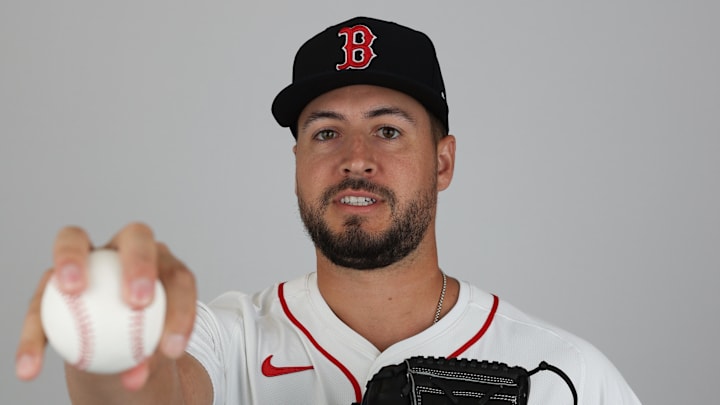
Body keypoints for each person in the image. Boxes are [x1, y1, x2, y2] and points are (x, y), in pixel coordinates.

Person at [16, 16, 641, 404]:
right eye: (325, 132)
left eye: (389, 131)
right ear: (296, 160)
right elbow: (146, 396)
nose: (356, 159)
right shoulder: (225, 339)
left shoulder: (567, 376)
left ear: (444, 162)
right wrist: (111, 334)